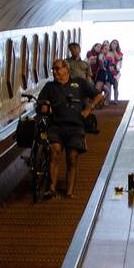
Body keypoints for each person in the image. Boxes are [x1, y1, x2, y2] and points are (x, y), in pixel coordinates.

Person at [36, 59, 97, 199]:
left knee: (72, 157)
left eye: (58, 68)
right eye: (53, 69)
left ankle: (69, 191)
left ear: (66, 69)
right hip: (56, 126)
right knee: (54, 152)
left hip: (75, 126)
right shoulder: (49, 87)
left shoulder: (79, 83)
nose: (55, 72)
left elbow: (98, 95)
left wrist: (89, 109)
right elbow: (40, 105)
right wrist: (44, 107)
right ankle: (51, 188)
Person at [104, 39, 124, 103]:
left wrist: (114, 50)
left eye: (116, 44)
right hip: (108, 71)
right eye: (113, 43)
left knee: (115, 86)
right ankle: (107, 99)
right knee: (108, 86)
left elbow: (118, 58)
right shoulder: (107, 52)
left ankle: (116, 100)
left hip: (116, 72)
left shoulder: (120, 53)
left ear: (117, 45)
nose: (114, 45)